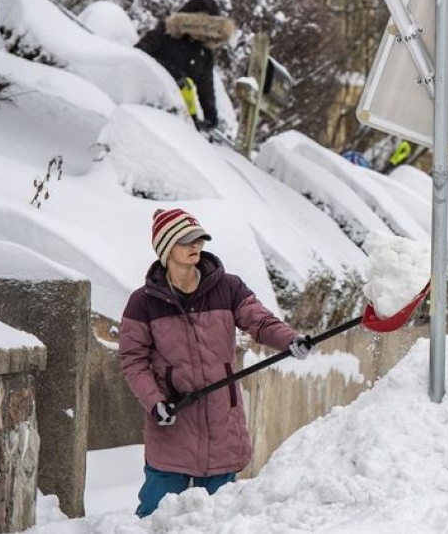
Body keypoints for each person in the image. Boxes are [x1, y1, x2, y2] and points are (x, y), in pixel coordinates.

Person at [118, 208, 313, 517]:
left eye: (199, 239)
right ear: (166, 248)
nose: (195, 245)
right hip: (173, 423)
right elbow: (133, 360)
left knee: (220, 519)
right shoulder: (143, 303)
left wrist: (290, 340)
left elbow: (260, 322)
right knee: (155, 519)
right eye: (186, 240)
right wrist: (155, 403)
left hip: (222, 424)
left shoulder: (228, 288)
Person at [135, 0, 233, 131]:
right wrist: (173, 75)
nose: (202, 35)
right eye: (200, 29)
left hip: (180, 112)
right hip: (149, 103)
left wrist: (210, 115)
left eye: (209, 31)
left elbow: (206, 85)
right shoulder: (164, 35)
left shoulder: (204, 52)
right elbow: (138, 55)